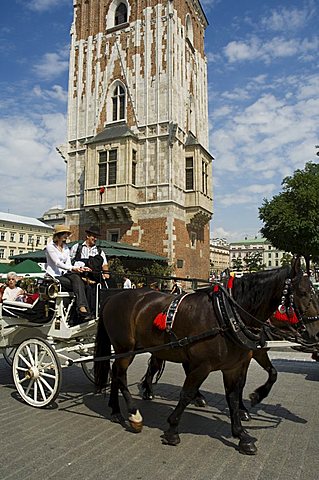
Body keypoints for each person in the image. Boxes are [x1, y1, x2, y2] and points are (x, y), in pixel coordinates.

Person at [45, 225, 93, 321]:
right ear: (58, 235)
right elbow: (57, 263)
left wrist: (80, 268)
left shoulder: (66, 248)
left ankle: (84, 310)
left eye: (67, 234)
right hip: (54, 277)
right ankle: (82, 308)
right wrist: (74, 269)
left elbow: (68, 264)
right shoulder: (50, 247)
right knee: (77, 280)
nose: (67, 236)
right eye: (65, 234)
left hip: (64, 275)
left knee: (81, 281)